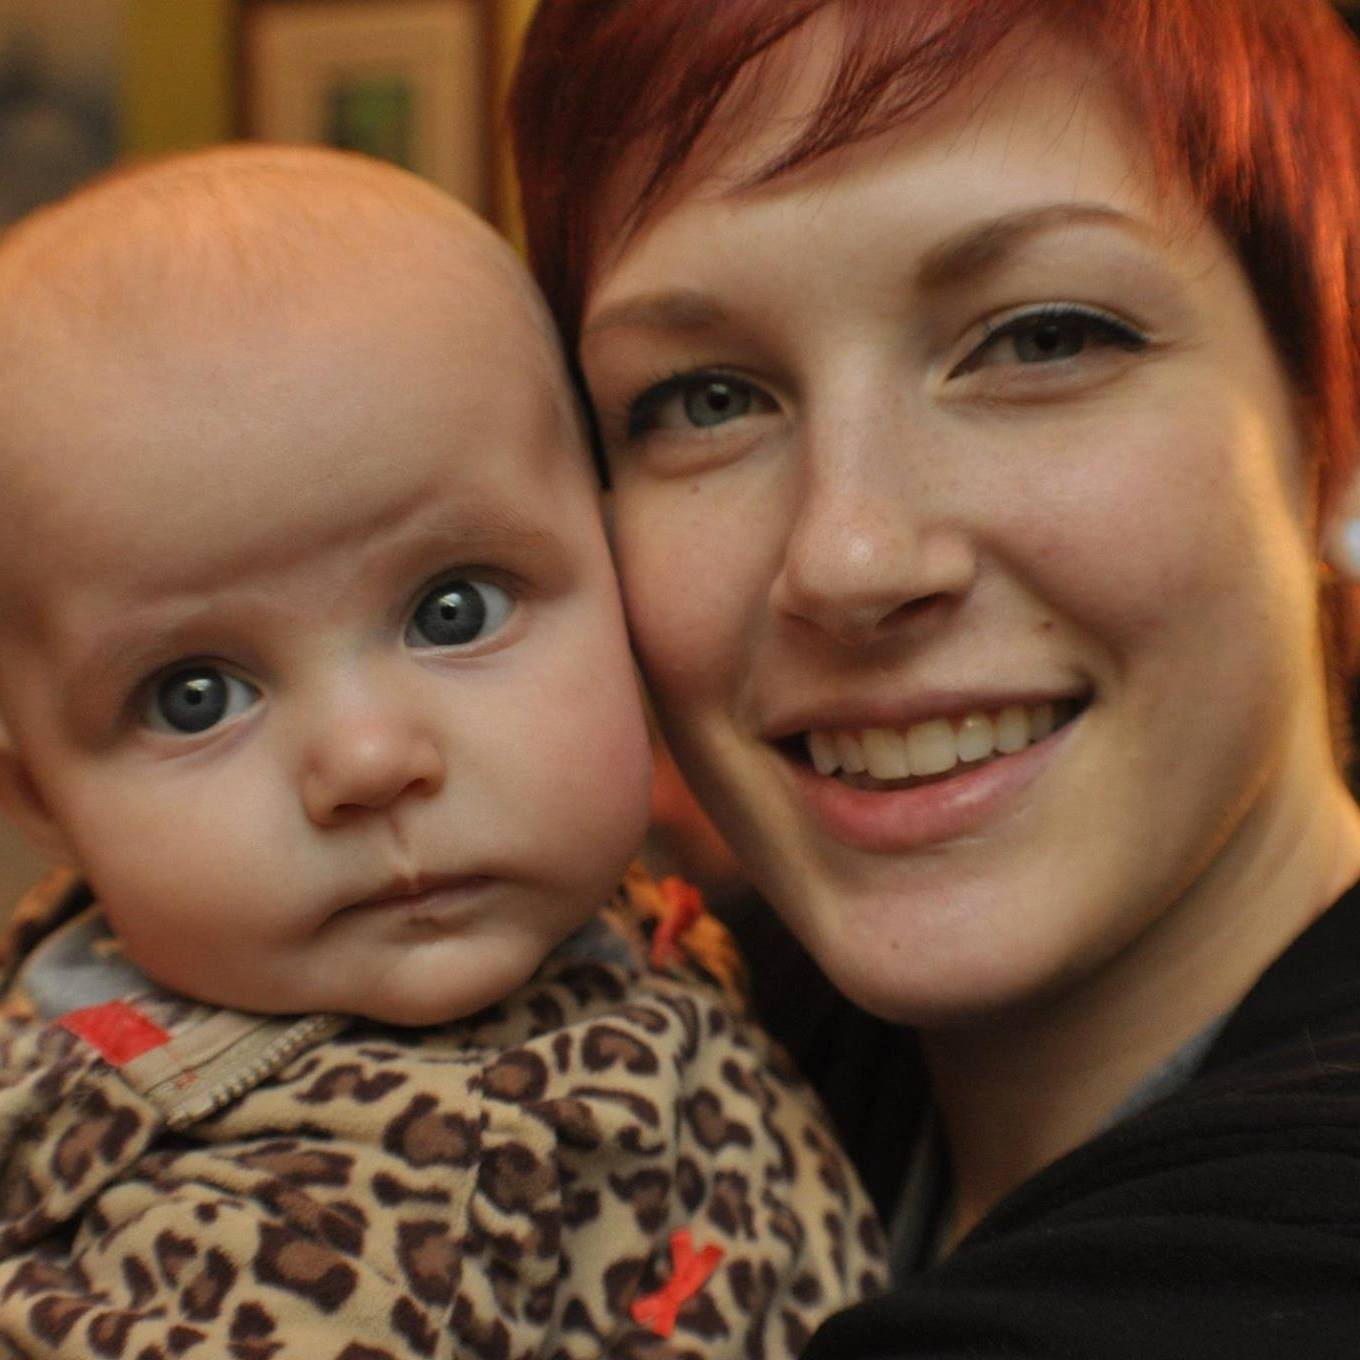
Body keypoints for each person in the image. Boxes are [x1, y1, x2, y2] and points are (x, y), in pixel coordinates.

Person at [509, 0, 1360, 1352]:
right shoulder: (674, 1052)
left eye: (1041, 338)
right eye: (703, 398)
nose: (848, 556)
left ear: (1334, 429)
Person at [0, 145, 885, 1359]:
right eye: (195, 697)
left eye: (454, 610)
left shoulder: (633, 932)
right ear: (42, 797)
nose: (369, 760)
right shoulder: (229, 1237)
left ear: (623, 570)